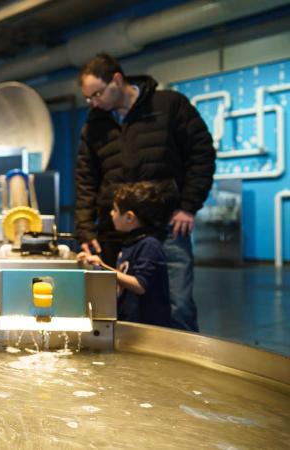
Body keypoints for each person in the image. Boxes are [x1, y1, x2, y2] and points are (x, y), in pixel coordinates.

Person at [74, 53, 215, 332]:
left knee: (178, 306)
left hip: (167, 229)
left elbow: (201, 154)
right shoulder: (95, 126)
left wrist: (188, 206)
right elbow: (86, 179)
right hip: (116, 235)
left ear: (117, 80)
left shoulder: (169, 106)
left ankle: (184, 374)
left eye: (97, 94)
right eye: (88, 98)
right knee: (123, 310)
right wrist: (86, 229)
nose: (93, 103)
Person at [77, 182, 171, 327]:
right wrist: (97, 265)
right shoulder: (131, 243)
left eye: (115, 210)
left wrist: (103, 267)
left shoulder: (149, 245)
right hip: (131, 323)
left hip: (148, 329)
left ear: (129, 217)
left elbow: (140, 285)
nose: (111, 213)